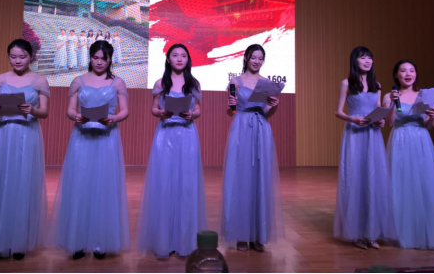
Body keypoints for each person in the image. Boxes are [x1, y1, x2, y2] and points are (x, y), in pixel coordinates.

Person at [0, 39, 50, 261]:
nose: (17, 61)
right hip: (3, 135)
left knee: (22, 184)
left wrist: (32, 109)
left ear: (31, 56)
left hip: (27, 135)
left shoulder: (39, 80)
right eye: (13, 57)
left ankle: (18, 243)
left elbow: (44, 113)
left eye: (22, 57)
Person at [50, 41, 130, 260]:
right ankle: (77, 241)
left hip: (107, 137)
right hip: (82, 137)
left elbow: (125, 111)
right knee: (80, 183)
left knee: (104, 185)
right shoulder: (78, 81)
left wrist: (114, 118)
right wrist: (76, 116)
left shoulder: (118, 82)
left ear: (110, 59)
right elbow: (70, 110)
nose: (99, 62)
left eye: (104, 58)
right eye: (95, 57)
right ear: (90, 57)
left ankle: (100, 242)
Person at [136, 44, 208, 259]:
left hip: (187, 134)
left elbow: (198, 109)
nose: (179, 58)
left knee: (187, 185)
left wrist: (192, 114)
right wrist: (161, 112)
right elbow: (153, 108)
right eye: (175, 55)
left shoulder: (194, 83)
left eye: (183, 55)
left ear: (188, 60)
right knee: (164, 183)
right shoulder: (161, 83)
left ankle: (185, 241)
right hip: (165, 134)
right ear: (168, 59)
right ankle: (164, 240)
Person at [383, 60, 434, 250]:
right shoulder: (389, 96)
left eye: (412, 70)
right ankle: (401, 232)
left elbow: (428, 125)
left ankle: (425, 231)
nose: (408, 74)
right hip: (400, 140)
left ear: (416, 74)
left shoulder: (424, 95)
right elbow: (389, 122)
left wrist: (433, 117)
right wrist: (392, 103)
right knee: (401, 184)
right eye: (403, 70)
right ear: (396, 74)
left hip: (421, 141)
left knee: (424, 183)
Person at [222, 44, 284, 253]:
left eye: (260, 58)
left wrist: (273, 105)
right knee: (241, 179)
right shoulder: (235, 82)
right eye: (253, 57)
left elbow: (267, 113)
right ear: (246, 58)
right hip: (241, 127)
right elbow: (231, 112)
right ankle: (242, 234)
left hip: (261, 129)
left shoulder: (267, 84)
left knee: (260, 179)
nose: (257, 61)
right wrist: (231, 105)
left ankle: (258, 234)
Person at [334, 46, 396, 250]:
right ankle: (356, 234)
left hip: (373, 133)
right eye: (363, 58)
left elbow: (377, 108)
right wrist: (352, 119)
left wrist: (381, 120)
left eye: (370, 57)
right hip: (355, 133)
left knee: (373, 179)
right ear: (355, 61)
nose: (367, 61)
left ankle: (371, 232)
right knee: (355, 179)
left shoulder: (376, 85)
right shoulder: (347, 83)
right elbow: (338, 112)